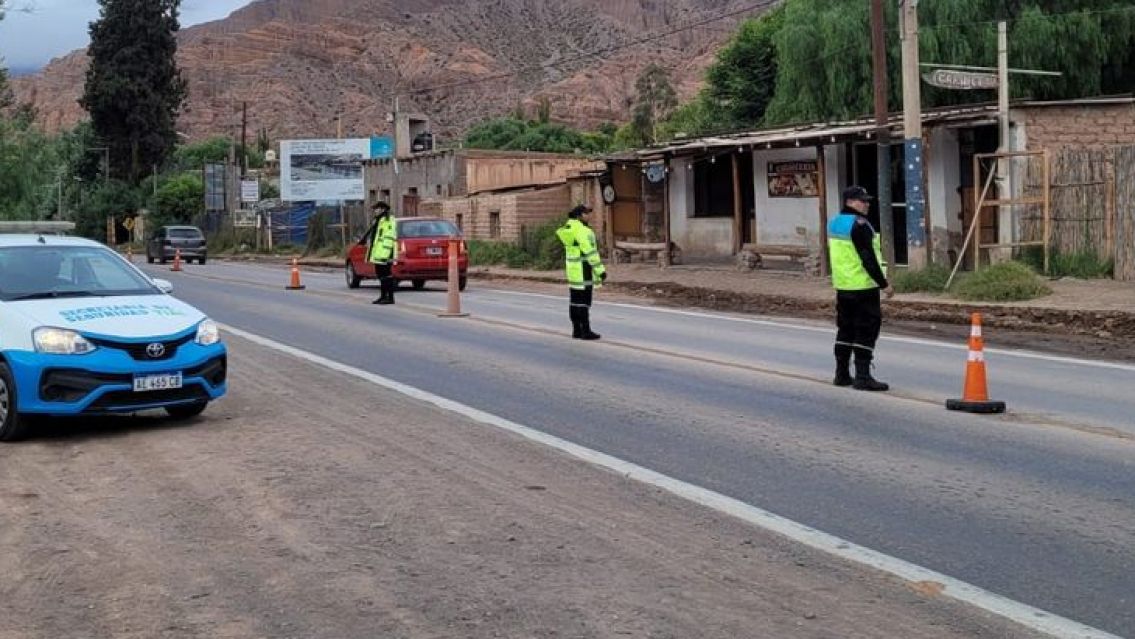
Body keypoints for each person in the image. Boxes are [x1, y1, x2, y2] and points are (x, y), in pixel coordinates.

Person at [827, 186, 894, 391]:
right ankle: (863, 376)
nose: (867, 204)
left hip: (843, 286)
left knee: (845, 329)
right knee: (866, 329)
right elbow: (868, 259)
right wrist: (884, 284)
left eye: (867, 201)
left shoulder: (834, 222)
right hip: (863, 286)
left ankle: (841, 374)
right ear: (851, 202)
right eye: (862, 201)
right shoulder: (860, 225)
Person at [555, 205, 606, 340]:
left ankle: (576, 330)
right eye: (586, 213)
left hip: (573, 271)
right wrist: (601, 270)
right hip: (584, 270)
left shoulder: (568, 229)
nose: (589, 215)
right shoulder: (583, 231)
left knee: (574, 301)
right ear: (579, 216)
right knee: (584, 302)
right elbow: (590, 253)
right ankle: (586, 331)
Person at [368, 202, 398, 305]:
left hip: (385, 252)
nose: (375, 211)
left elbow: (389, 238)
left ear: (383, 209)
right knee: (381, 275)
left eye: (377, 209)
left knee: (386, 275)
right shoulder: (378, 220)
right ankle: (383, 296)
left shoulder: (388, 220)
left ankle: (389, 297)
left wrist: (386, 254)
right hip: (379, 252)